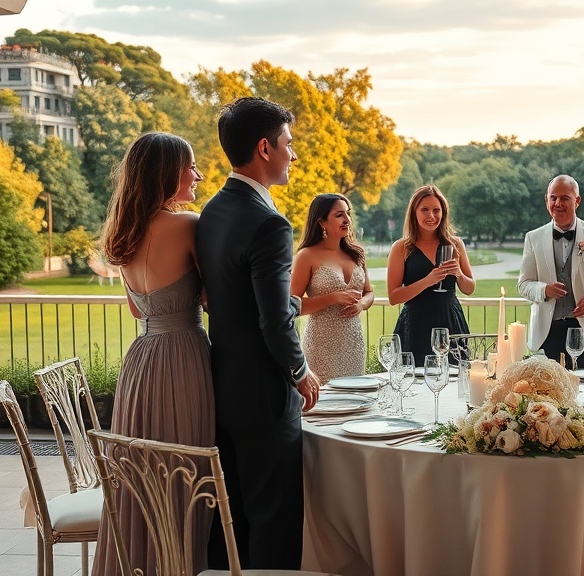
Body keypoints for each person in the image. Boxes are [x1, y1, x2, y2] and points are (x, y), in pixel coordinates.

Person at [195, 97, 320, 570]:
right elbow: (273, 320)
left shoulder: (212, 212)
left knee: (235, 518)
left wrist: (284, 302)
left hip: (223, 384)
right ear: (265, 148)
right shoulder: (270, 223)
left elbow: (236, 298)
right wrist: (299, 371)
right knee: (277, 519)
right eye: (289, 144)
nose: (293, 154)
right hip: (266, 393)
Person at [93, 132, 214, 576]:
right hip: (183, 358)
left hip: (141, 362)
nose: (198, 175)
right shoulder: (188, 226)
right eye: (192, 166)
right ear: (169, 172)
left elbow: (134, 309)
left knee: (142, 473)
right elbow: (212, 302)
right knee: (185, 470)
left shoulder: (123, 233)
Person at [519, 175, 584, 369]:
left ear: (577, 201)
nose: (558, 203)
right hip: (547, 333)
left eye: (565, 198)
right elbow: (524, 284)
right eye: (553, 198)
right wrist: (543, 290)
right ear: (546, 200)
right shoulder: (533, 238)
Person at [388, 184, 474, 364]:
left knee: (454, 382)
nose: (431, 216)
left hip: (450, 321)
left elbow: (469, 288)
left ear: (443, 213)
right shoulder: (401, 248)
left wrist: (457, 272)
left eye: (437, 210)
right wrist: (428, 281)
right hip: (415, 323)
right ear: (414, 212)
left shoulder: (455, 244)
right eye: (424, 210)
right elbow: (394, 297)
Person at [292, 193, 374, 382]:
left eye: (348, 214)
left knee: (355, 403)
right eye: (339, 215)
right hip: (321, 347)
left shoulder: (356, 254)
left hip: (353, 345)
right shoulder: (307, 256)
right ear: (322, 222)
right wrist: (333, 297)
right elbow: (291, 306)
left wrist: (361, 304)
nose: (347, 220)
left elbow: (369, 293)